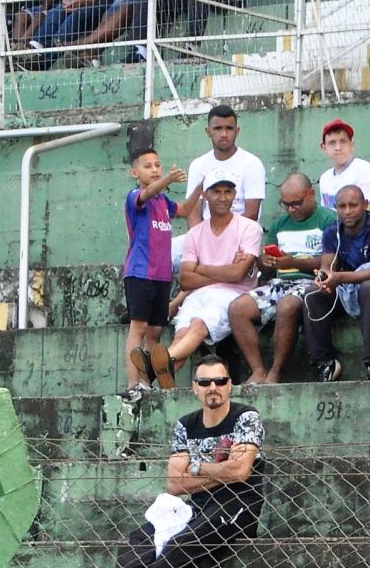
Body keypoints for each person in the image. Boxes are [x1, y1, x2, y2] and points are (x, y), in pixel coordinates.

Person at [85, 356, 265, 568]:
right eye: (205, 382)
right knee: (142, 535)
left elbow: (241, 473)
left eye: (220, 380)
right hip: (197, 506)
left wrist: (195, 467)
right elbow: (175, 484)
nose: (213, 387)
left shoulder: (245, 417)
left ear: (230, 386)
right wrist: (222, 468)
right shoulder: (186, 425)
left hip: (239, 503)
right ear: (194, 387)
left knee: (183, 541)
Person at [135, 170, 261, 390]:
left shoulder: (250, 228)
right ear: (205, 194)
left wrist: (200, 269)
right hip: (197, 295)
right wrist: (225, 268)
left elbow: (237, 275)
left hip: (232, 294)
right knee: (182, 335)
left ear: (234, 195)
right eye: (217, 192)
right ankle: (155, 380)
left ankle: (150, 369)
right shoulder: (195, 234)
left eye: (228, 192)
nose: (223, 197)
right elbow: (185, 280)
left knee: (198, 325)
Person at [227, 173, 335, 385]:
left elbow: (331, 263)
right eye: (285, 204)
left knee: (287, 307)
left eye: (296, 203)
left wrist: (293, 262)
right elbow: (267, 267)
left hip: (312, 283)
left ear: (311, 194)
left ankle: (275, 373)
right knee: (237, 308)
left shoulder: (328, 220)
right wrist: (263, 261)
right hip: (279, 283)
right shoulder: (280, 225)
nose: (291, 210)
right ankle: (258, 370)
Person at [302, 185, 370, 381]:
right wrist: (324, 277)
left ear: (365, 205)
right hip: (350, 287)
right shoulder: (332, 231)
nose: (347, 211)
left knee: (369, 288)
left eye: (353, 205)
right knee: (312, 294)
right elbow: (329, 267)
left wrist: (340, 277)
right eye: (342, 206)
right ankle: (325, 362)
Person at [121, 148, 186, 400]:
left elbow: (184, 208)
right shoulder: (135, 196)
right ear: (134, 172)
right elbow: (146, 193)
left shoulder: (164, 202)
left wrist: (203, 188)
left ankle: (148, 383)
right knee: (138, 327)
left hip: (162, 276)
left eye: (157, 165)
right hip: (139, 273)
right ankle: (133, 383)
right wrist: (168, 180)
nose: (155, 169)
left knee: (155, 332)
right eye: (148, 166)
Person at [183, 105, 266, 227]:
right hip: (206, 237)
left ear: (237, 131)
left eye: (229, 128)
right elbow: (193, 212)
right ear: (208, 132)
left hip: (243, 234)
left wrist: (221, 235)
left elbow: (252, 214)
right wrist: (200, 240)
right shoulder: (198, 165)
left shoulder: (252, 163)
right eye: (218, 128)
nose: (224, 134)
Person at [316, 117, 370, 213]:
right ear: (323, 147)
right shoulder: (324, 178)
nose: (338, 147)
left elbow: (368, 213)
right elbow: (326, 214)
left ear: (352, 144)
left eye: (343, 141)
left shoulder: (364, 170)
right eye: (332, 143)